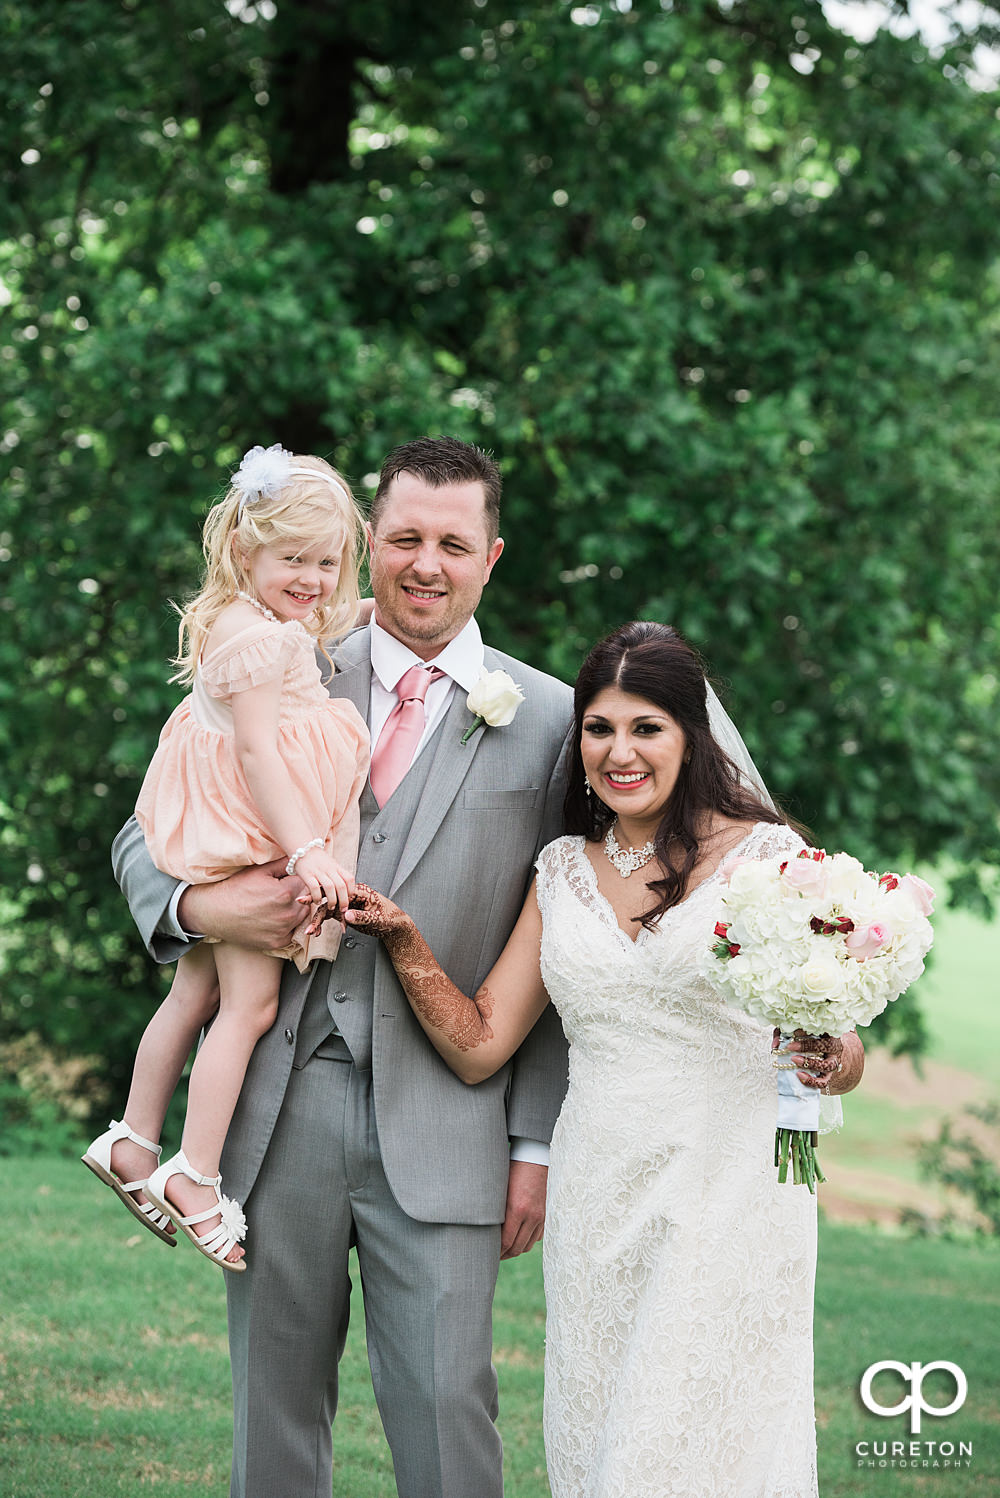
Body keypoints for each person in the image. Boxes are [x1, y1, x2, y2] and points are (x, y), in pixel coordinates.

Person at [111, 437, 573, 1497]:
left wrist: (535, 1142)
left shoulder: (548, 719)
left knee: (450, 1414)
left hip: (451, 1124)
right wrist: (199, 903)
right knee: (271, 1415)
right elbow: (150, 824)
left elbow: (563, 944)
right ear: (372, 540)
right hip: (279, 1109)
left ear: (490, 557)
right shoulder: (280, 654)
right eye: (403, 537)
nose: (425, 562)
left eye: (452, 544)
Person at [345, 620, 865, 1498]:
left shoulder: (768, 861)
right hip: (598, 1190)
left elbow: (839, 1047)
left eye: (645, 728)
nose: (619, 752)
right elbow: (480, 1044)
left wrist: (833, 1050)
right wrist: (404, 941)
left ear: (691, 736)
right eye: (599, 728)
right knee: (601, 1430)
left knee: (676, 1439)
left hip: (726, 1188)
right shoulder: (561, 872)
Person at [83, 445, 370, 1270]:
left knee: (195, 991)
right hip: (249, 841)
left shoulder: (255, 624)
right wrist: (307, 847)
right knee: (247, 1010)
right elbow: (255, 755)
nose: (313, 579)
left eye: (327, 562)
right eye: (293, 559)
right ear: (245, 553)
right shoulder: (256, 643)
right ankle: (196, 1174)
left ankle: (134, 1140)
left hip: (228, 835)